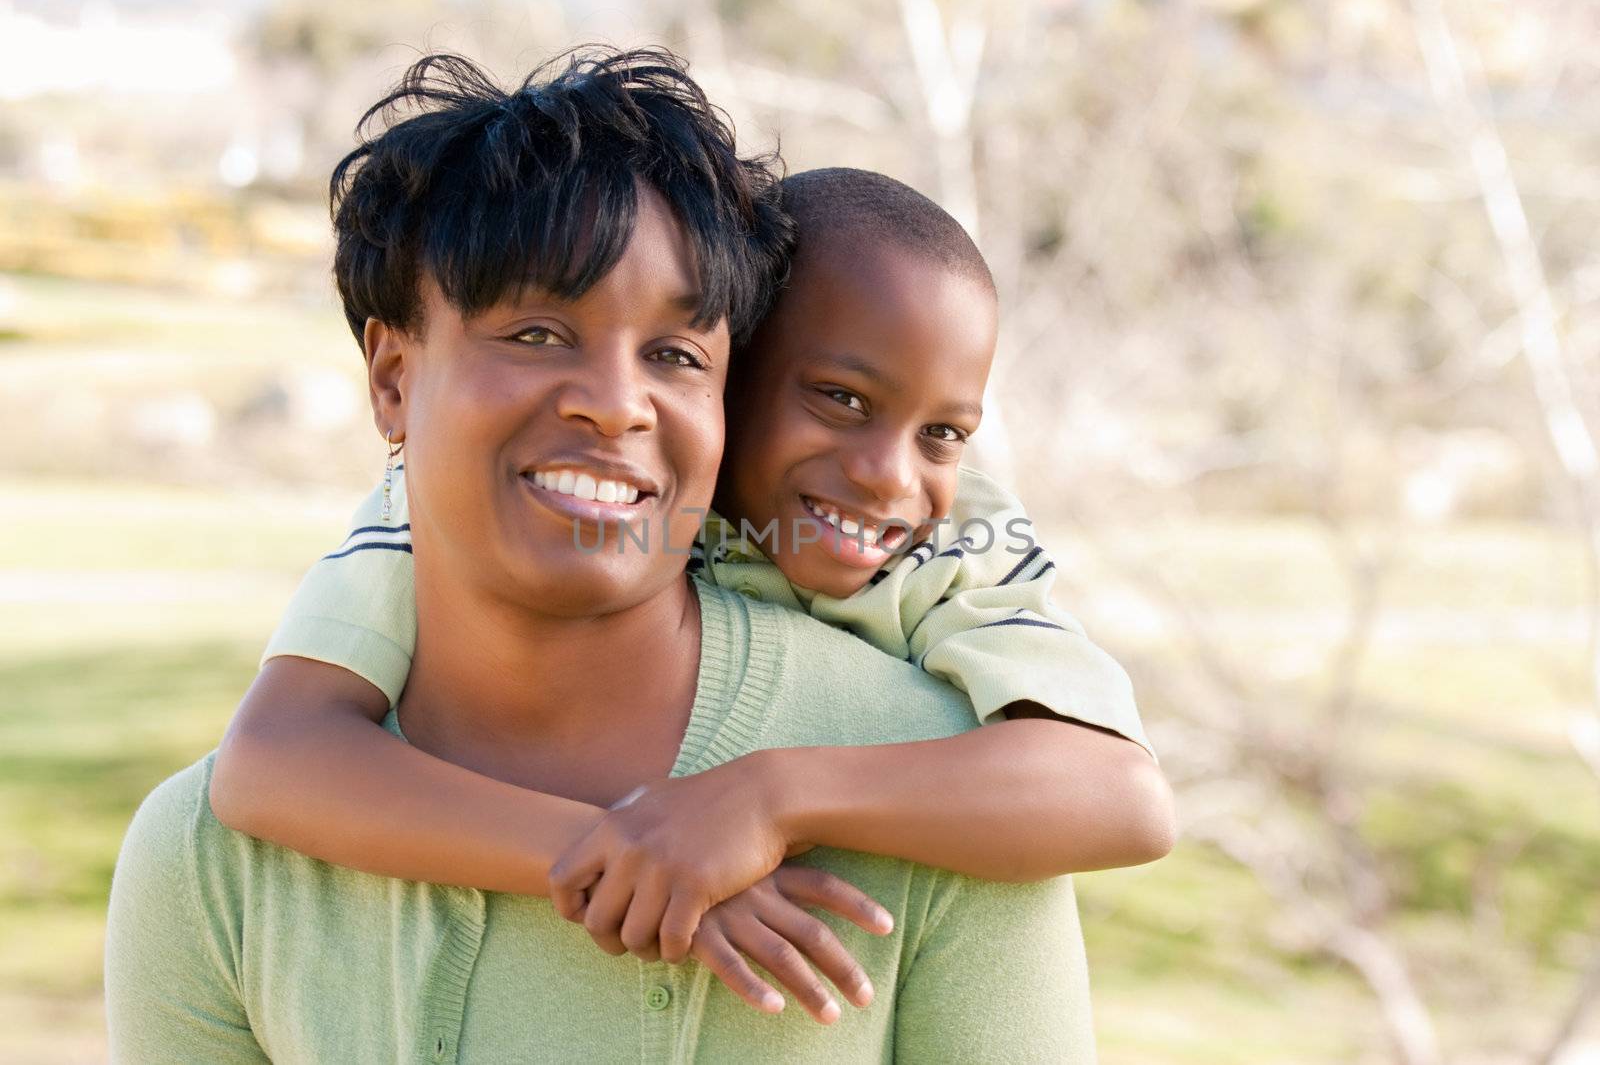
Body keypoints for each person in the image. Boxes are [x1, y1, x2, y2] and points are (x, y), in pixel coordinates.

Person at [202, 63, 1174, 1011]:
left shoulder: (953, 533)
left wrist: (772, 793)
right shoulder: (440, 508)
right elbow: (273, 755)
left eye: (943, 433)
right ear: (734, 372)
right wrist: (617, 854)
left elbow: (1126, 795)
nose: (887, 470)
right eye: (838, 398)